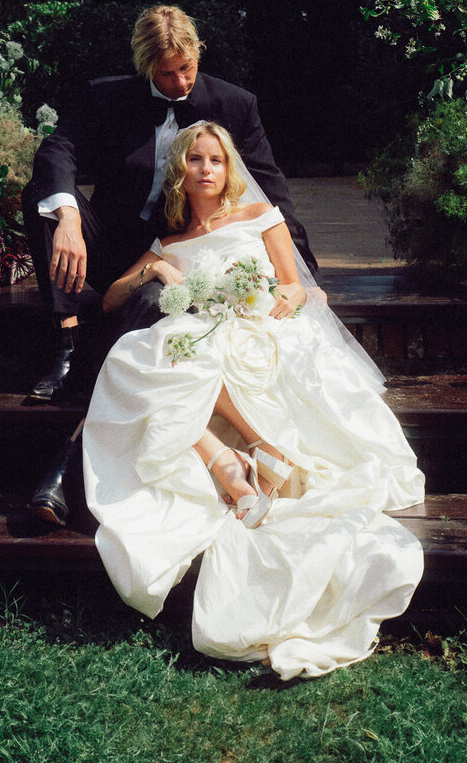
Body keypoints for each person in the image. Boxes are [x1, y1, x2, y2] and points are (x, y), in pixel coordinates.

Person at [82, 123, 425, 680]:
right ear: (180, 171)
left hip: (257, 325)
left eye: (217, 159)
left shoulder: (260, 217)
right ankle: (237, 464)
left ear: (229, 166)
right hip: (198, 338)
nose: (207, 169)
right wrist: (154, 269)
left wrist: (256, 309)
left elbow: (294, 288)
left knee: (183, 355)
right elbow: (112, 300)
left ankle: (250, 451)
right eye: (195, 160)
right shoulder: (167, 243)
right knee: (147, 352)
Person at [23, 6, 315, 524]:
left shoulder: (234, 103)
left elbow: (270, 188)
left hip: (177, 255)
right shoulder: (106, 96)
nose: (179, 82)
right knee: (44, 197)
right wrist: (68, 215)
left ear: (199, 55)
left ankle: (67, 465)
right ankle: (66, 340)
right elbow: (56, 150)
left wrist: (300, 277)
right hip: (113, 251)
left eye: (187, 69)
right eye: (166, 73)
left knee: (156, 304)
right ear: (143, 66)